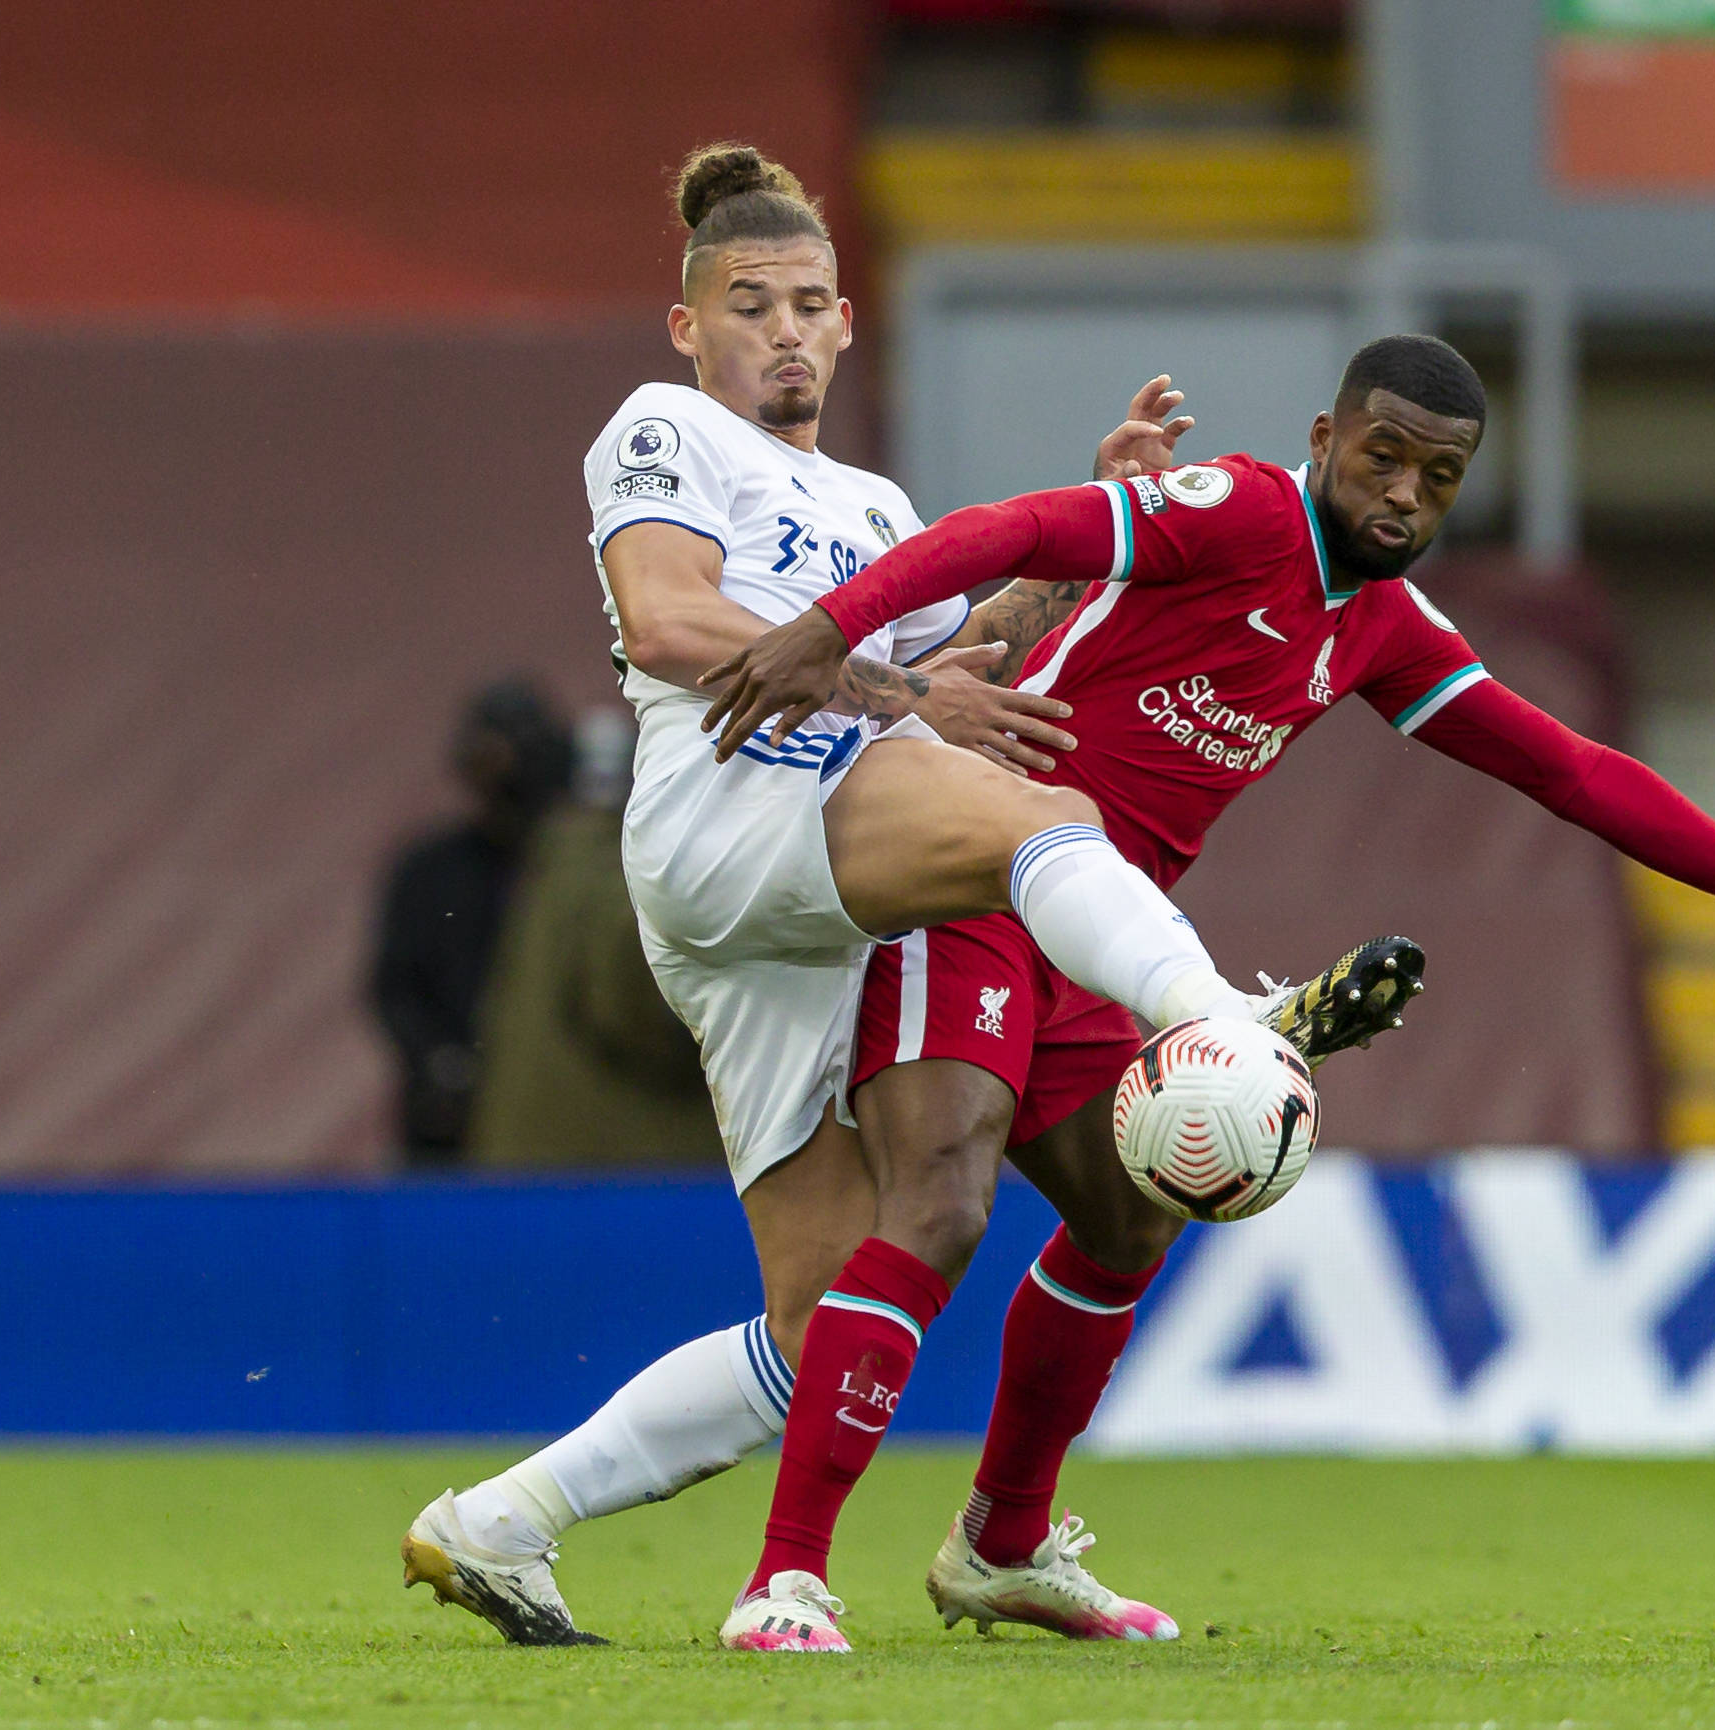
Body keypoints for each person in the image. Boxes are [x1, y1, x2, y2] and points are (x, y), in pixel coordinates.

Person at [698, 334, 1715, 1650]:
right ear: (1326, 437)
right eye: (1384, 457)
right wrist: (825, 632)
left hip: (1097, 931)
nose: (1405, 496)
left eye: (1440, 476)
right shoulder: (1238, 513)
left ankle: (1003, 1545)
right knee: (944, 1196)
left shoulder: (1378, 624)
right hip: (976, 862)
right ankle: (784, 1576)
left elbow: (1571, 770)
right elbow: (1013, 525)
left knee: (1132, 1220)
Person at [400, 143, 1411, 1645]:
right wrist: (885, 690)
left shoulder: (869, 501)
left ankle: (497, 1524)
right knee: (1042, 818)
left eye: (813, 304)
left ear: (849, 321)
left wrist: (1082, 542)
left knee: (818, 1324)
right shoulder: (665, 427)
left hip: (814, 875)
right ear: (690, 324)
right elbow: (674, 617)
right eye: (753, 305)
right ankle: (1221, 1018)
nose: (787, 331)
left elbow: (958, 670)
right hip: (731, 814)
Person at [467, 708, 724, 1169]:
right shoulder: (629, 876)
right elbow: (641, 1014)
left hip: (538, 1162)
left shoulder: (556, 863)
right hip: (634, 1173)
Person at [371, 679, 574, 1167]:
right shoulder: (430, 870)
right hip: (452, 1124)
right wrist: (438, 1062)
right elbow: (395, 988)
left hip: (565, 1118)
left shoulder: (584, 872)